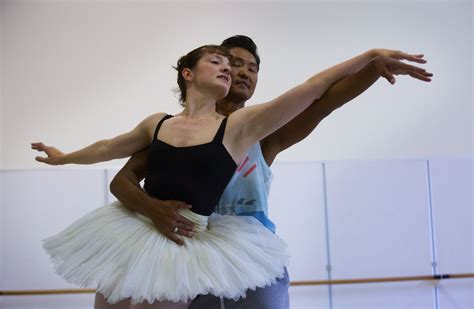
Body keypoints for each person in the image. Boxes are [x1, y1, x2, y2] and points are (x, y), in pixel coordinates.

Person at [32, 42, 432, 308]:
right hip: (149, 236)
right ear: (189, 73)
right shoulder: (160, 125)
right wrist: (64, 158)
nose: (235, 71)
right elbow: (114, 162)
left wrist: (369, 61)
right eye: (224, 62)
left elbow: (317, 94)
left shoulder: (251, 129)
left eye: (245, 67)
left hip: (228, 247)